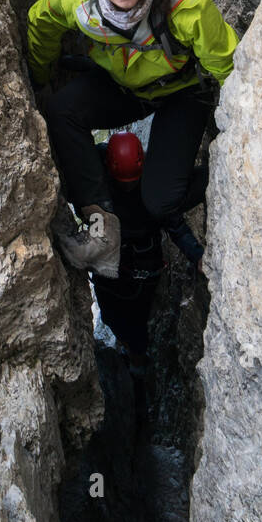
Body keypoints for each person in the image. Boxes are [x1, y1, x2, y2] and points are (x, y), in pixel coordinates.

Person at [27, 0, 238, 275]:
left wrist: (246, 137)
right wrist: (40, 79)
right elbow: (41, 22)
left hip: (182, 92)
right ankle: (100, 230)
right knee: (61, 110)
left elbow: (231, 70)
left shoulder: (186, 3)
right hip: (124, 87)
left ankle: (227, 172)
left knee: (159, 202)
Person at [87, 131, 208, 382]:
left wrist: (197, 255)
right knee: (113, 316)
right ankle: (129, 350)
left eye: (132, 180)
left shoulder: (152, 184)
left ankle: (137, 363)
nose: (128, 185)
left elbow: (175, 224)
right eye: (125, 181)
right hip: (113, 270)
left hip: (139, 271)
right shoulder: (99, 170)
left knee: (136, 322)